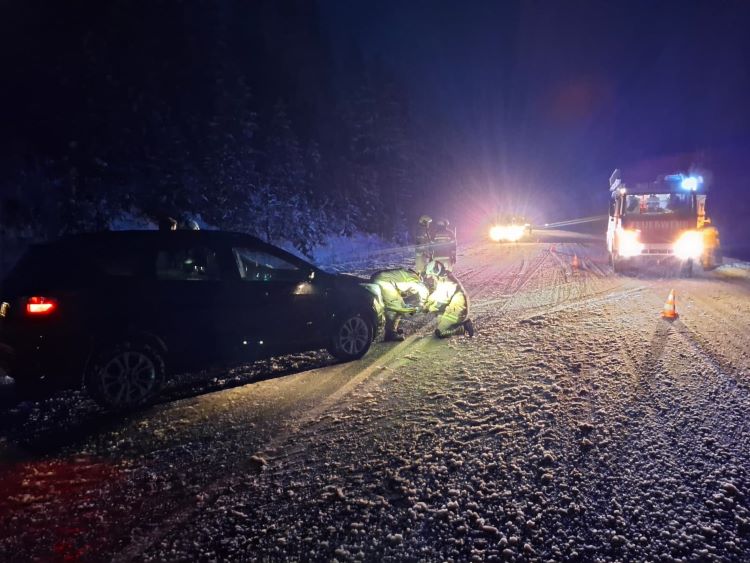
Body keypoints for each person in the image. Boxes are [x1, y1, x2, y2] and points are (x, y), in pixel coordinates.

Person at [370, 268, 430, 341]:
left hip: (380, 279)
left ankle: (393, 328)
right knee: (395, 308)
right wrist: (423, 303)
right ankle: (390, 334)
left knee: (399, 305)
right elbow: (424, 291)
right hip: (384, 282)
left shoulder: (406, 274)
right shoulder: (415, 279)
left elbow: (401, 288)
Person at [423, 260, 474, 338]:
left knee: (439, 333)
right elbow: (438, 292)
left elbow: (441, 302)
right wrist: (428, 301)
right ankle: (461, 321)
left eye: (432, 275)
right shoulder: (444, 277)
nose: (432, 277)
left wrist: (428, 308)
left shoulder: (449, 283)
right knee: (439, 316)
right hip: (455, 307)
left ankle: (462, 328)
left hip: (458, 310)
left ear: (435, 273)